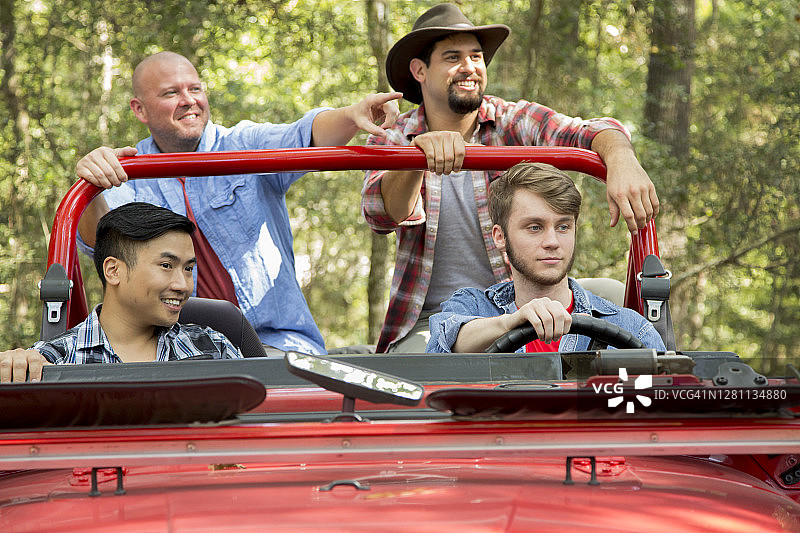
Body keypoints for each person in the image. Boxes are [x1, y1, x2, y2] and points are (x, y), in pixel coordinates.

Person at [362, 3, 660, 353]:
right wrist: (417, 159)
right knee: (423, 374)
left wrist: (621, 158)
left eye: (476, 56)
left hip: (521, 293)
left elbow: (587, 130)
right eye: (452, 57)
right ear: (419, 70)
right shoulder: (395, 134)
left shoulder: (511, 119)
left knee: (614, 301)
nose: (469, 67)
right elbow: (380, 213)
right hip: (438, 318)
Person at [75, 51, 402, 355]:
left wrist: (350, 115)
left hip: (274, 342)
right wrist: (94, 184)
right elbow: (102, 242)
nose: (189, 101)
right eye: (171, 93)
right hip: (177, 349)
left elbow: (304, 137)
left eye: (195, 89)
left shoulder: (242, 145)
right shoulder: (130, 169)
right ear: (139, 109)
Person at [427, 163, 665, 353]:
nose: (552, 241)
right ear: (500, 237)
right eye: (534, 227)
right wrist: (511, 323)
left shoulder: (630, 326)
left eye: (563, 227)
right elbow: (444, 344)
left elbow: (664, 403)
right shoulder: (472, 306)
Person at [0, 203, 243, 383]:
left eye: (188, 268)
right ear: (114, 271)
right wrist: (12, 369)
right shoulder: (51, 361)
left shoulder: (213, 349)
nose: (183, 285)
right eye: (166, 266)